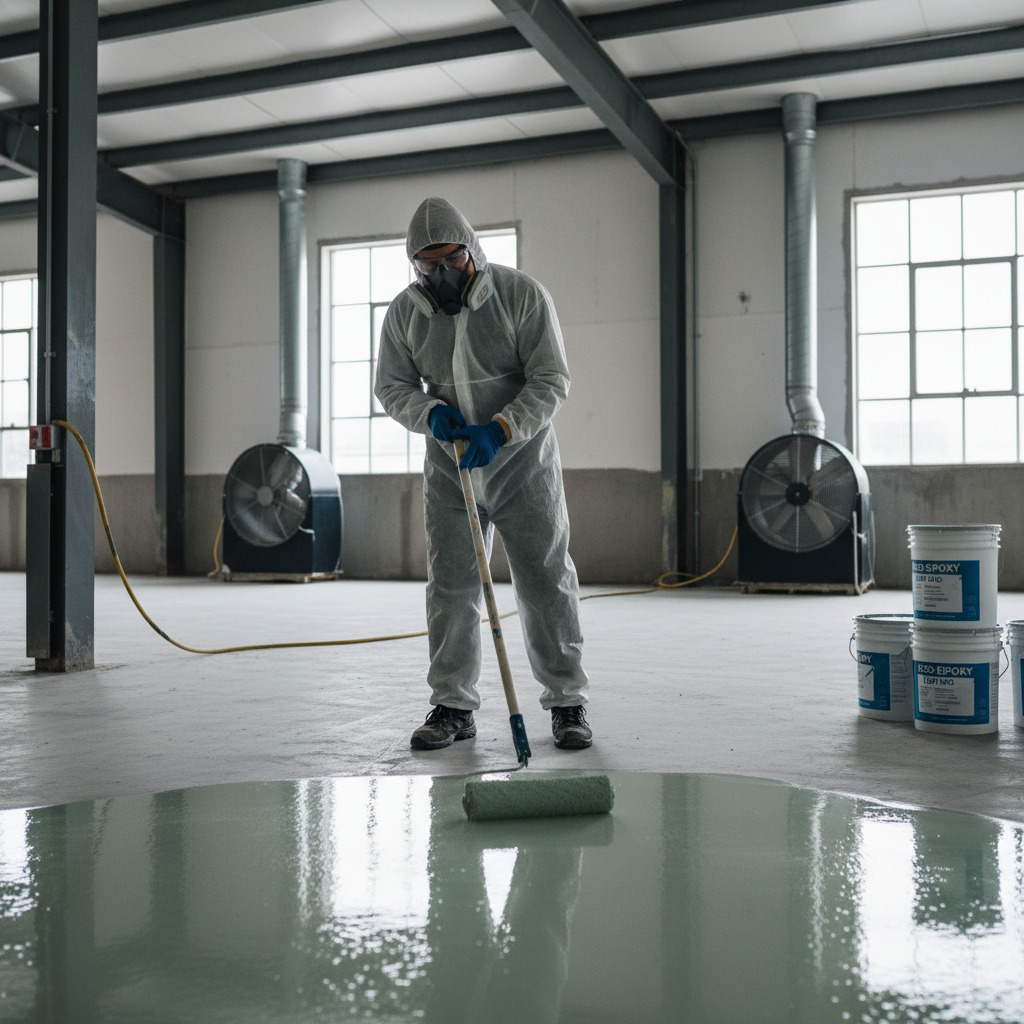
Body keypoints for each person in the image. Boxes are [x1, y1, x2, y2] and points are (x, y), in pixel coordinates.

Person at [374, 197, 591, 752]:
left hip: (523, 465)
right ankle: (452, 707)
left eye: (451, 260)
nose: (442, 275)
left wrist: (501, 427)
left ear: (473, 251)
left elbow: (551, 378)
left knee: (544, 579)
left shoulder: (521, 296)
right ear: (414, 265)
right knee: (451, 586)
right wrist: (431, 416)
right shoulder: (404, 314)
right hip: (452, 471)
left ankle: (567, 702)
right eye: (428, 266)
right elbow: (392, 387)